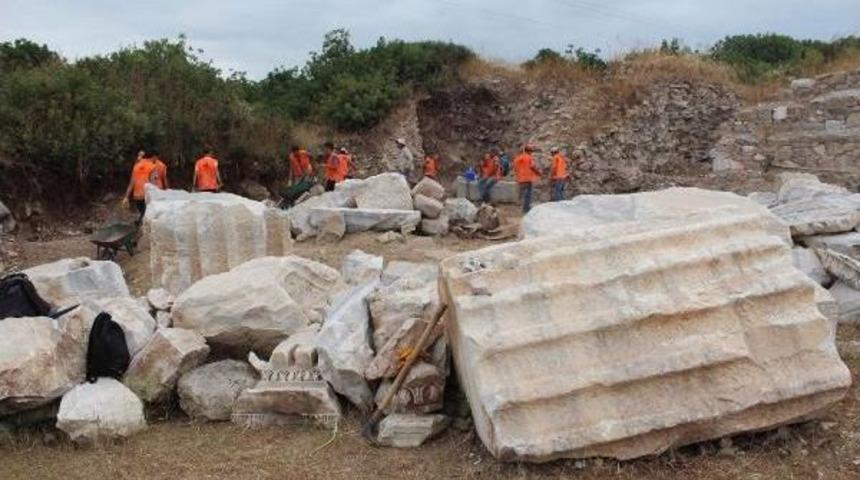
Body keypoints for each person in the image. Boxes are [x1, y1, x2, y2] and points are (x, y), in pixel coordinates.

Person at [122, 150, 157, 225]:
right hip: (146, 196)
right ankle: (140, 229)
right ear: (153, 157)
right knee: (146, 215)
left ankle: (139, 224)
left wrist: (126, 197)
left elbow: (131, 183)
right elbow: (153, 183)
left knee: (142, 213)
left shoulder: (136, 166)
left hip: (137, 196)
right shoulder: (153, 166)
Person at [513, 144, 541, 213]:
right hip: (527, 178)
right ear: (530, 151)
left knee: (521, 194)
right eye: (532, 151)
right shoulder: (529, 157)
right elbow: (532, 166)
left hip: (520, 178)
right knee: (528, 195)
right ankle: (526, 209)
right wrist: (538, 173)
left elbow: (515, 168)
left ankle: (518, 208)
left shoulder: (518, 158)